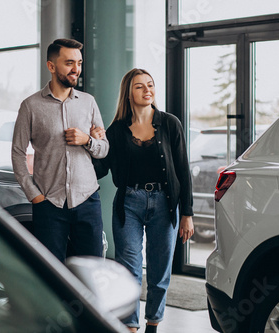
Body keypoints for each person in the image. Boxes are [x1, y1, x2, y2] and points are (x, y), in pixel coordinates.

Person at [92, 68, 194, 333]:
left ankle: (152, 324)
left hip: (165, 204)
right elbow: (100, 170)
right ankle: (130, 326)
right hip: (129, 204)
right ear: (128, 93)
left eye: (150, 85)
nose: (147, 90)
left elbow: (183, 170)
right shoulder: (116, 130)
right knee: (129, 270)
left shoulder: (170, 123)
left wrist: (187, 213)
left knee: (160, 272)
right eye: (140, 86)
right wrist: (92, 143)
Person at [11, 38, 109, 262]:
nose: (77, 69)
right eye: (69, 63)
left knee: (92, 270)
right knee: (51, 271)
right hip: (49, 204)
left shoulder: (88, 102)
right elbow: (17, 152)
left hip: (87, 200)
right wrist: (34, 195)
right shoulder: (31, 106)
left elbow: (103, 149)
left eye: (80, 63)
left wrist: (87, 140)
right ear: (51, 66)